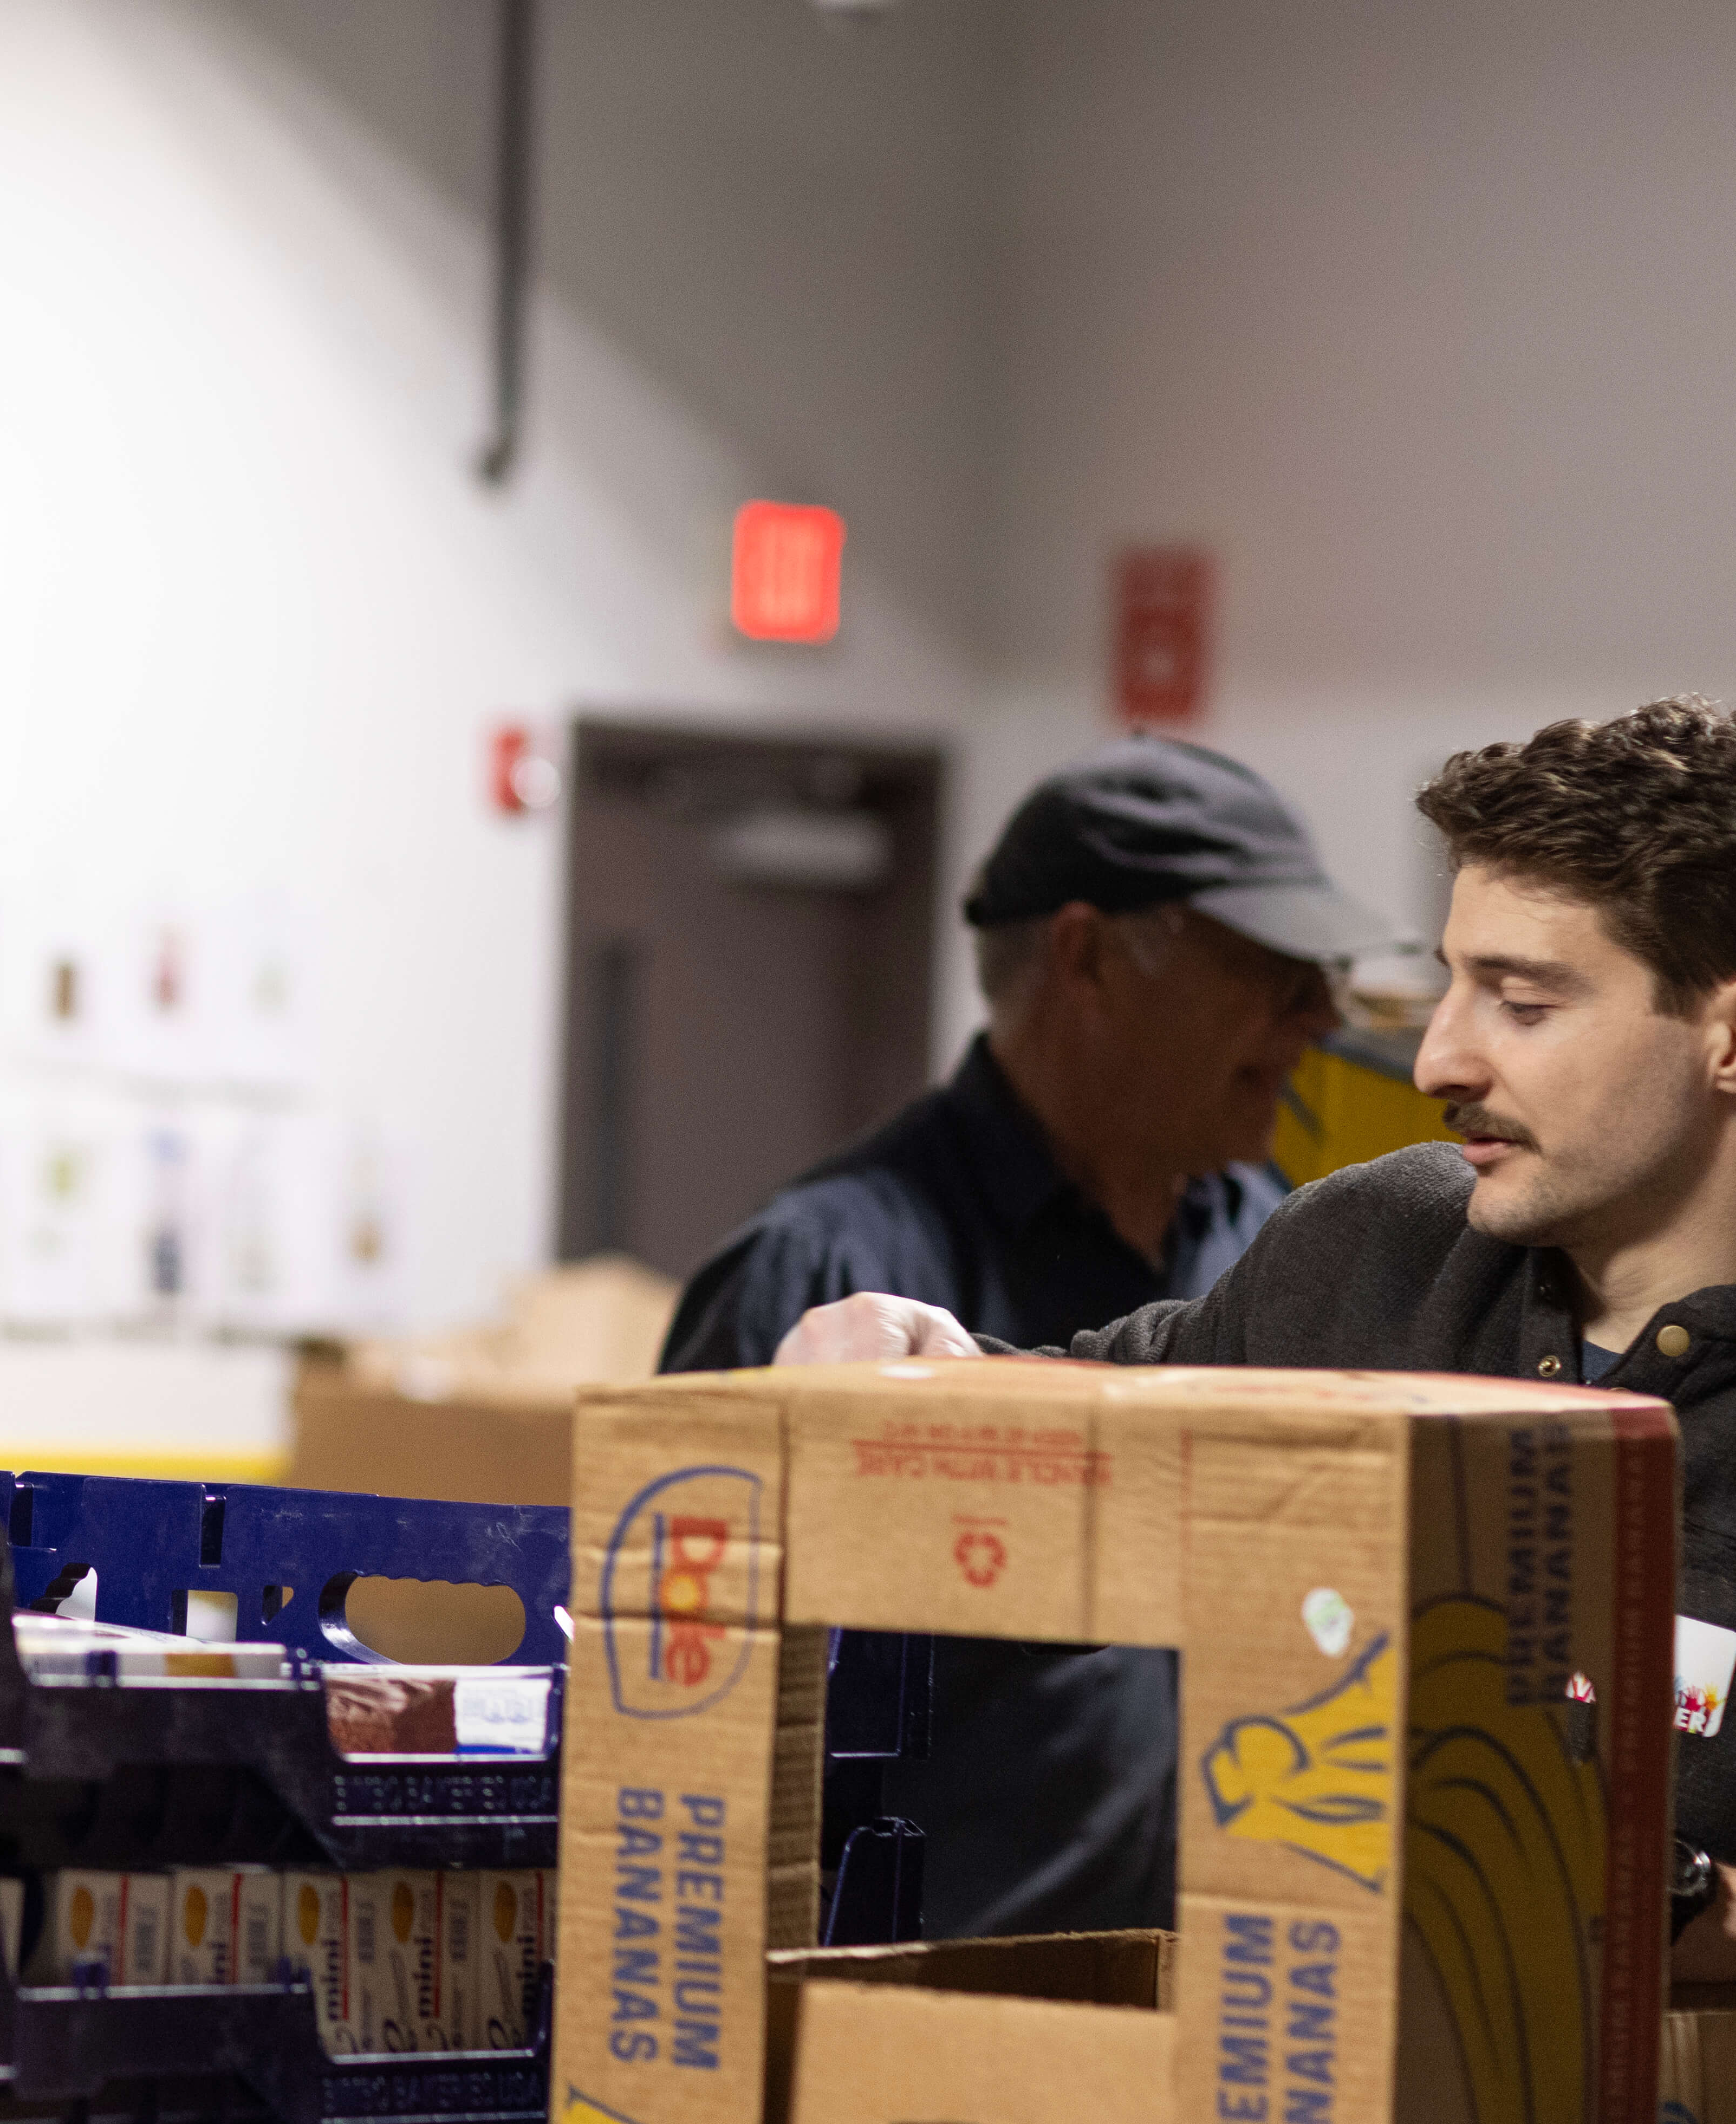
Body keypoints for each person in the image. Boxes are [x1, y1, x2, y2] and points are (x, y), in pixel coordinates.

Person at [780, 697, 1736, 1937]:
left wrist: (1671, 1902)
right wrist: (910, 1359)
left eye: (1521, 1001)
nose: (1438, 1060)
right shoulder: (1370, 1249)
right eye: (1448, 985)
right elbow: (1092, 1415)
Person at [665, 737, 1393, 1939]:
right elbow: (684, 1706)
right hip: (913, 2043)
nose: (1319, 1018)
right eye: (1270, 972)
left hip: (1219, 2035)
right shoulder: (829, 1275)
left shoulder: (1278, 1260)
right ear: (1086, 956)